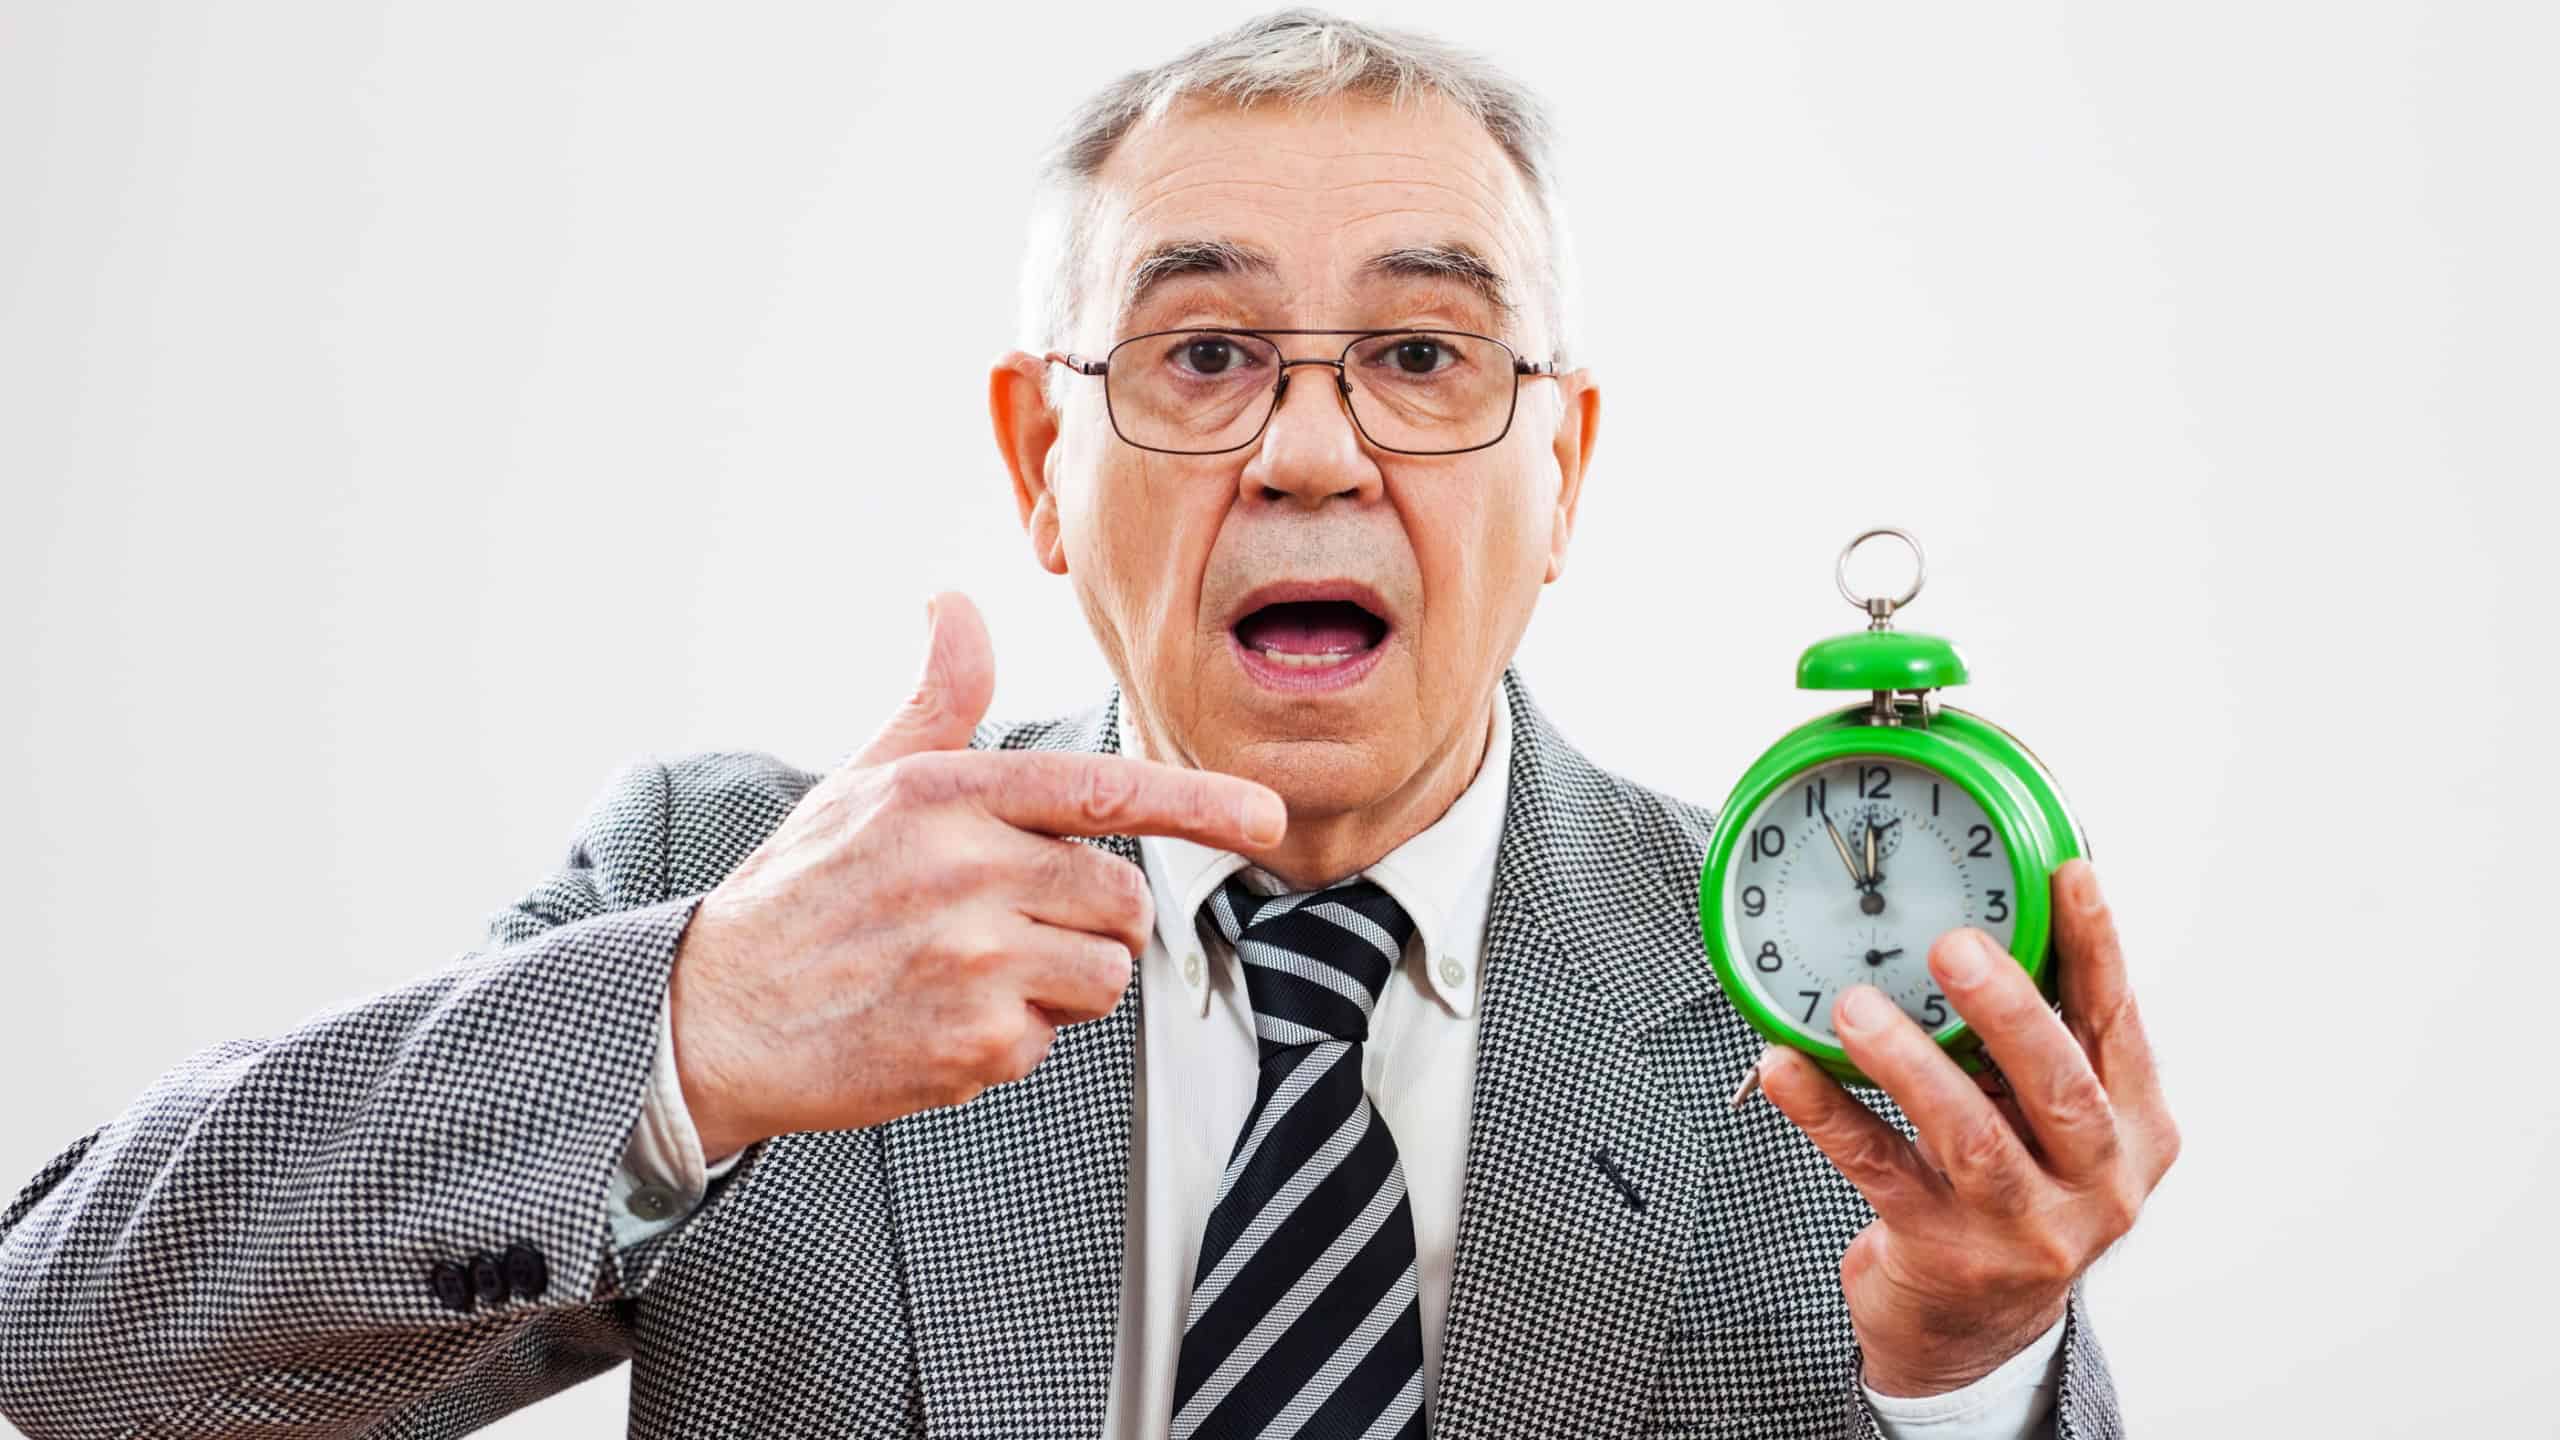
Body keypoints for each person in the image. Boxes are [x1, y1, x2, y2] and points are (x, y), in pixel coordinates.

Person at [0, 9, 2177, 1438]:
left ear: (1566, 468)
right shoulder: (745, 894)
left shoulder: (1812, 990)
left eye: (1422, 356)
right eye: (1203, 352)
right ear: (1040, 464)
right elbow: (69, 1347)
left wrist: (1970, 1380)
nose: (1312, 452)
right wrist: (681, 1037)